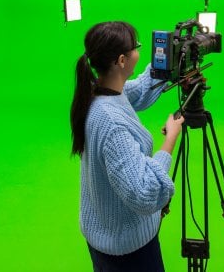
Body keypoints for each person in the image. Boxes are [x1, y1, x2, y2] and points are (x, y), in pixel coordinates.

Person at [70, 20, 185, 272]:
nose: (138, 52)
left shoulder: (98, 92)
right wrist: (170, 140)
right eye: (137, 48)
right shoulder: (112, 124)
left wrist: (166, 58)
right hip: (127, 251)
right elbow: (145, 193)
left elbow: (139, 90)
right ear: (122, 61)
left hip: (104, 235)